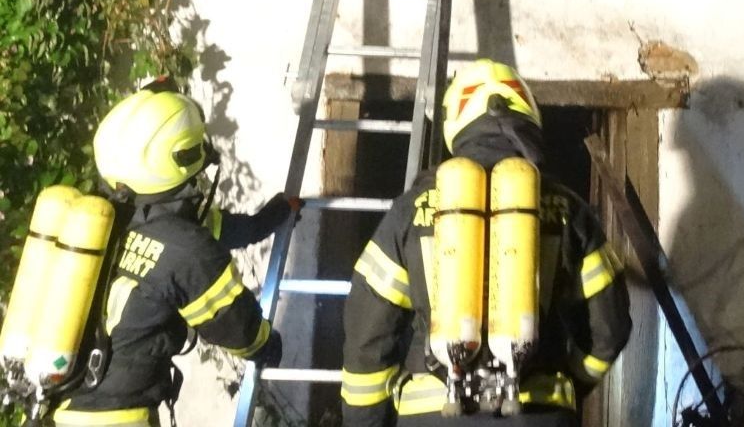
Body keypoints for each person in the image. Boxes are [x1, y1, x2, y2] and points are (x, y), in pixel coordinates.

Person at [341, 61, 631, 426]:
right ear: (528, 114)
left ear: (456, 123)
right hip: (536, 416)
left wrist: (363, 422)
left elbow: (367, 336)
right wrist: (570, 383)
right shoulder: (567, 209)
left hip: (433, 416)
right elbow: (611, 326)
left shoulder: (409, 212)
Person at [53, 79, 288, 427]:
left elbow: (224, 230)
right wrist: (268, 347)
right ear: (181, 160)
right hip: (119, 417)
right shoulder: (187, 248)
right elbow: (237, 328)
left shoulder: (104, 219)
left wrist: (273, 215)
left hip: (63, 407)